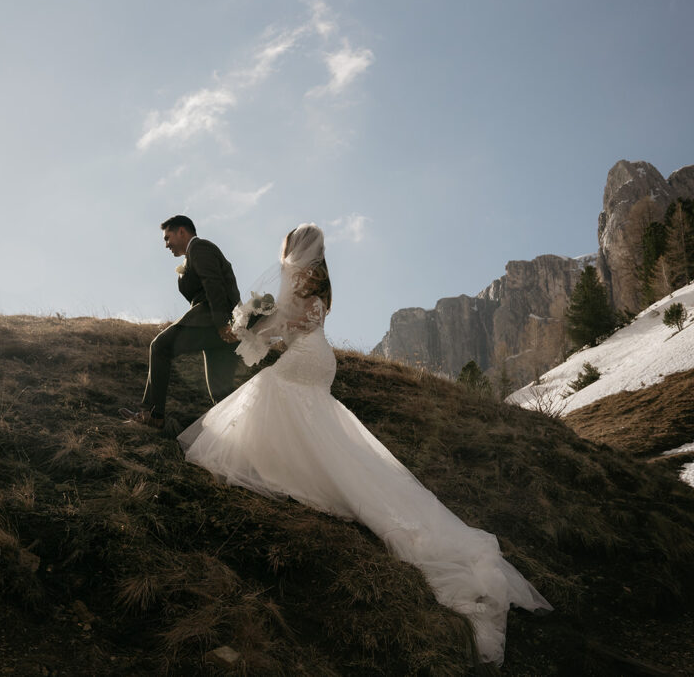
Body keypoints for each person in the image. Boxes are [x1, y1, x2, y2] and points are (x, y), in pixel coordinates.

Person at [178, 223, 551, 665]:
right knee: (310, 420)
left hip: (307, 356)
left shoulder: (300, 279)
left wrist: (256, 324)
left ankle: (288, 468)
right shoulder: (317, 279)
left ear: (293, 250)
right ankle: (307, 466)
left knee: (270, 395)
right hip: (318, 358)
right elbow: (300, 323)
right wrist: (261, 328)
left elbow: (298, 321)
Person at [122, 215, 241, 429]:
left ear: (182, 232)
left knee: (160, 346)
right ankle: (240, 435)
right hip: (216, 327)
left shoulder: (200, 247)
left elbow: (214, 285)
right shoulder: (190, 256)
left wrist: (223, 324)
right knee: (220, 393)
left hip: (213, 322)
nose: (166, 245)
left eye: (168, 238)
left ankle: (153, 414)